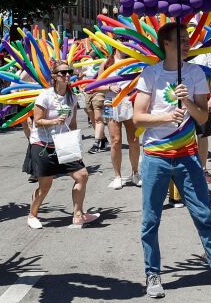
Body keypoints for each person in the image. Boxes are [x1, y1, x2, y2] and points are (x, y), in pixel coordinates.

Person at [133, 21, 211, 299]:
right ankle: (152, 273)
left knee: (204, 215)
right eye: (180, 39)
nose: (186, 42)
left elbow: (203, 116)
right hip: (156, 156)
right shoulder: (150, 74)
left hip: (187, 157)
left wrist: (188, 102)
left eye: (187, 38)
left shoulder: (195, 73)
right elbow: (138, 117)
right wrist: (166, 117)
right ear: (165, 44)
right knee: (151, 219)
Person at [27, 61, 100, 230]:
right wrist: (53, 121)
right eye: (63, 73)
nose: (67, 75)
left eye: (69, 72)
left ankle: (78, 215)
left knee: (82, 175)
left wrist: (76, 145)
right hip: (43, 143)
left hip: (64, 142)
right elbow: (37, 121)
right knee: (45, 185)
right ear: (54, 76)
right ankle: (32, 214)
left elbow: (72, 123)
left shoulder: (71, 97)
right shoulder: (45, 95)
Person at [104, 81, 141, 190]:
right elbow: (95, 86)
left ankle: (135, 173)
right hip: (109, 103)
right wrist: (110, 87)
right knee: (115, 141)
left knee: (134, 140)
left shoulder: (133, 64)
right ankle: (117, 176)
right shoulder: (107, 64)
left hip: (130, 100)